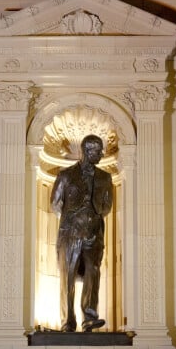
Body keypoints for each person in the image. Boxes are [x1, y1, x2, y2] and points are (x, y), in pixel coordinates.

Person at [50, 134, 113, 332]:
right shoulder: (66, 175)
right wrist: (73, 219)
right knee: (67, 276)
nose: (102, 154)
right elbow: (55, 204)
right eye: (97, 151)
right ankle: (68, 321)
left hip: (94, 235)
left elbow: (107, 206)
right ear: (87, 151)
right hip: (70, 235)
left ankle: (90, 317)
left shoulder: (105, 177)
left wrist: (91, 219)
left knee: (93, 274)